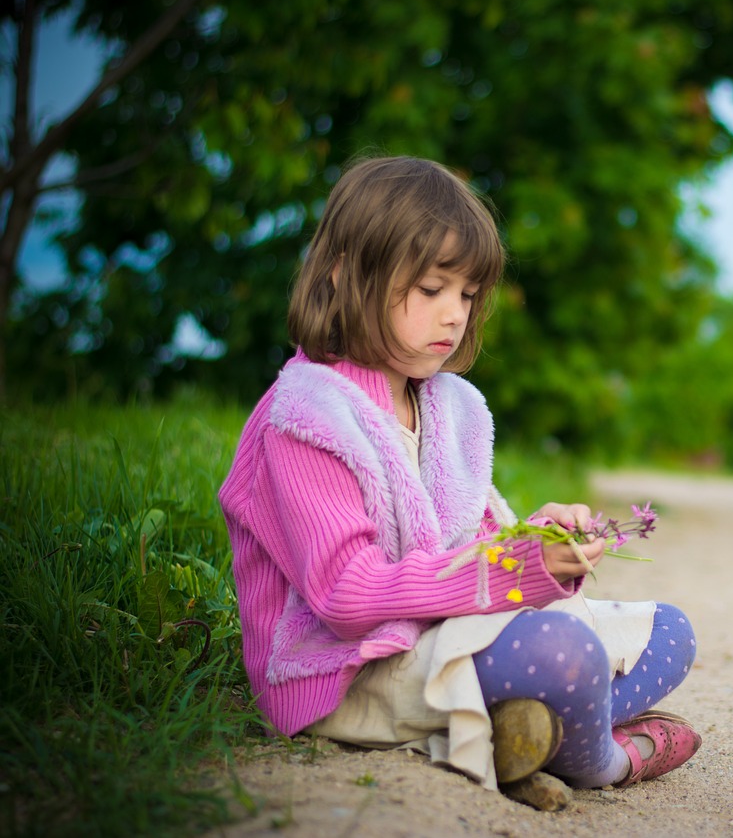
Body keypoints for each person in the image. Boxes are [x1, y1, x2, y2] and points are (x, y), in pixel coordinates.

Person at [219, 156, 700, 795]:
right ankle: (602, 759)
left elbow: (469, 550)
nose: (456, 314)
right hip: (349, 670)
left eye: (468, 295)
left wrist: (538, 540)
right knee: (564, 653)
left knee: (668, 629)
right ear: (344, 275)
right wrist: (514, 571)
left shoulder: (446, 405)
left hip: (440, 637)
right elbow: (346, 596)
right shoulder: (308, 416)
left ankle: (526, 734)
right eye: (430, 290)